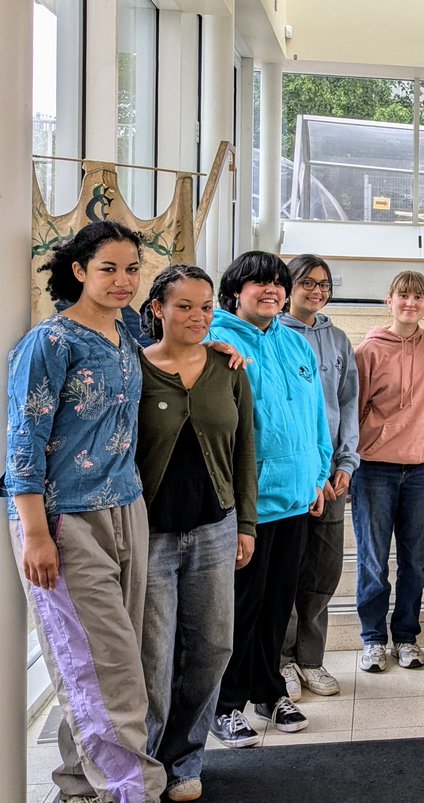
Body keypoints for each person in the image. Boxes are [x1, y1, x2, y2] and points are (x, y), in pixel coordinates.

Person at [6, 220, 167, 803]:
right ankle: (131, 791)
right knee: (107, 670)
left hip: (126, 508)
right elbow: (23, 440)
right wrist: (34, 533)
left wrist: (221, 348)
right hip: (63, 518)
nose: (124, 280)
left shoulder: (126, 332)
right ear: (78, 271)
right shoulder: (50, 343)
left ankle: (79, 785)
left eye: (132, 269)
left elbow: (178, 345)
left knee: (103, 664)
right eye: (109, 269)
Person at [136, 265, 257, 802]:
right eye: (184, 306)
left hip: (215, 529)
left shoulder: (229, 369)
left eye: (206, 307)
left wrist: (246, 524)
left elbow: (246, 450)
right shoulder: (135, 370)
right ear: (158, 309)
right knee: (154, 659)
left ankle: (185, 760)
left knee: (212, 648)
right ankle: (146, 767)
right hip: (152, 535)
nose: (198, 317)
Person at [208, 252, 332, 747]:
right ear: (235, 290)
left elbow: (316, 414)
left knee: (278, 606)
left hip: (297, 497)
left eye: (278, 283)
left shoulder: (295, 343)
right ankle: (225, 704)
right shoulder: (216, 340)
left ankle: (268, 690)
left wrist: (318, 476)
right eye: (259, 282)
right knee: (241, 608)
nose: (272, 290)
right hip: (248, 505)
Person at [352, 270, 424, 673]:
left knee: (414, 560)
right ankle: (373, 638)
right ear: (389, 301)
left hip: (422, 467)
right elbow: (354, 411)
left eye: (418, 297)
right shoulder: (368, 351)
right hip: (375, 468)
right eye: (403, 296)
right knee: (373, 560)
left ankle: (406, 636)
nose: (411, 303)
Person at [278, 254, 360, 699]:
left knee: (322, 572)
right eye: (307, 282)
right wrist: (311, 471)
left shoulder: (338, 339)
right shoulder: (273, 336)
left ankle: (311, 659)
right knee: (287, 570)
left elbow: (348, 404)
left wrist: (346, 463)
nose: (316, 290)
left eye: (324, 284)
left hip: (333, 477)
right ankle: (282, 662)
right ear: (288, 286)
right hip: (293, 477)